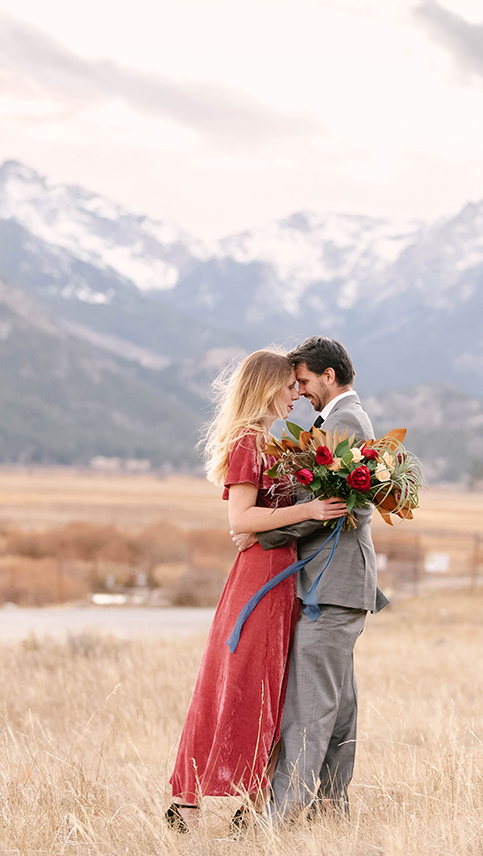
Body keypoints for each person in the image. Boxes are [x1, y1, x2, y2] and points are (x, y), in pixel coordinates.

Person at [166, 349, 346, 833]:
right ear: (268, 387)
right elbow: (241, 520)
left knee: (273, 685)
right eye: (290, 386)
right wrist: (308, 512)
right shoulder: (249, 442)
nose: (297, 394)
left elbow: (259, 522)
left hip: (282, 573)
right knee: (241, 681)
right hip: (260, 578)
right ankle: (188, 801)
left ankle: (257, 796)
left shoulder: (273, 442)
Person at [233, 336, 389, 823]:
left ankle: (278, 818)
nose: (299, 392)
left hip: (331, 580)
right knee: (339, 705)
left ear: (328, 375)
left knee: (310, 707)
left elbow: (345, 510)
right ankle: (332, 809)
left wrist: (267, 533)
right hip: (341, 582)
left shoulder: (343, 421)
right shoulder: (341, 421)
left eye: (303, 381)